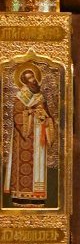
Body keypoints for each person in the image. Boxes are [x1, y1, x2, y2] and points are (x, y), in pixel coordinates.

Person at [3, 67, 54, 204]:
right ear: (25, 82)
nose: (33, 80)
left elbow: (48, 115)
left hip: (39, 136)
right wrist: (31, 113)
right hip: (24, 139)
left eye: (33, 77)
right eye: (30, 78)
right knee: (24, 166)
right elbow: (17, 116)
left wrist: (44, 116)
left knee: (39, 165)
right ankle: (21, 196)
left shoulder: (40, 96)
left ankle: (38, 197)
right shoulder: (20, 97)